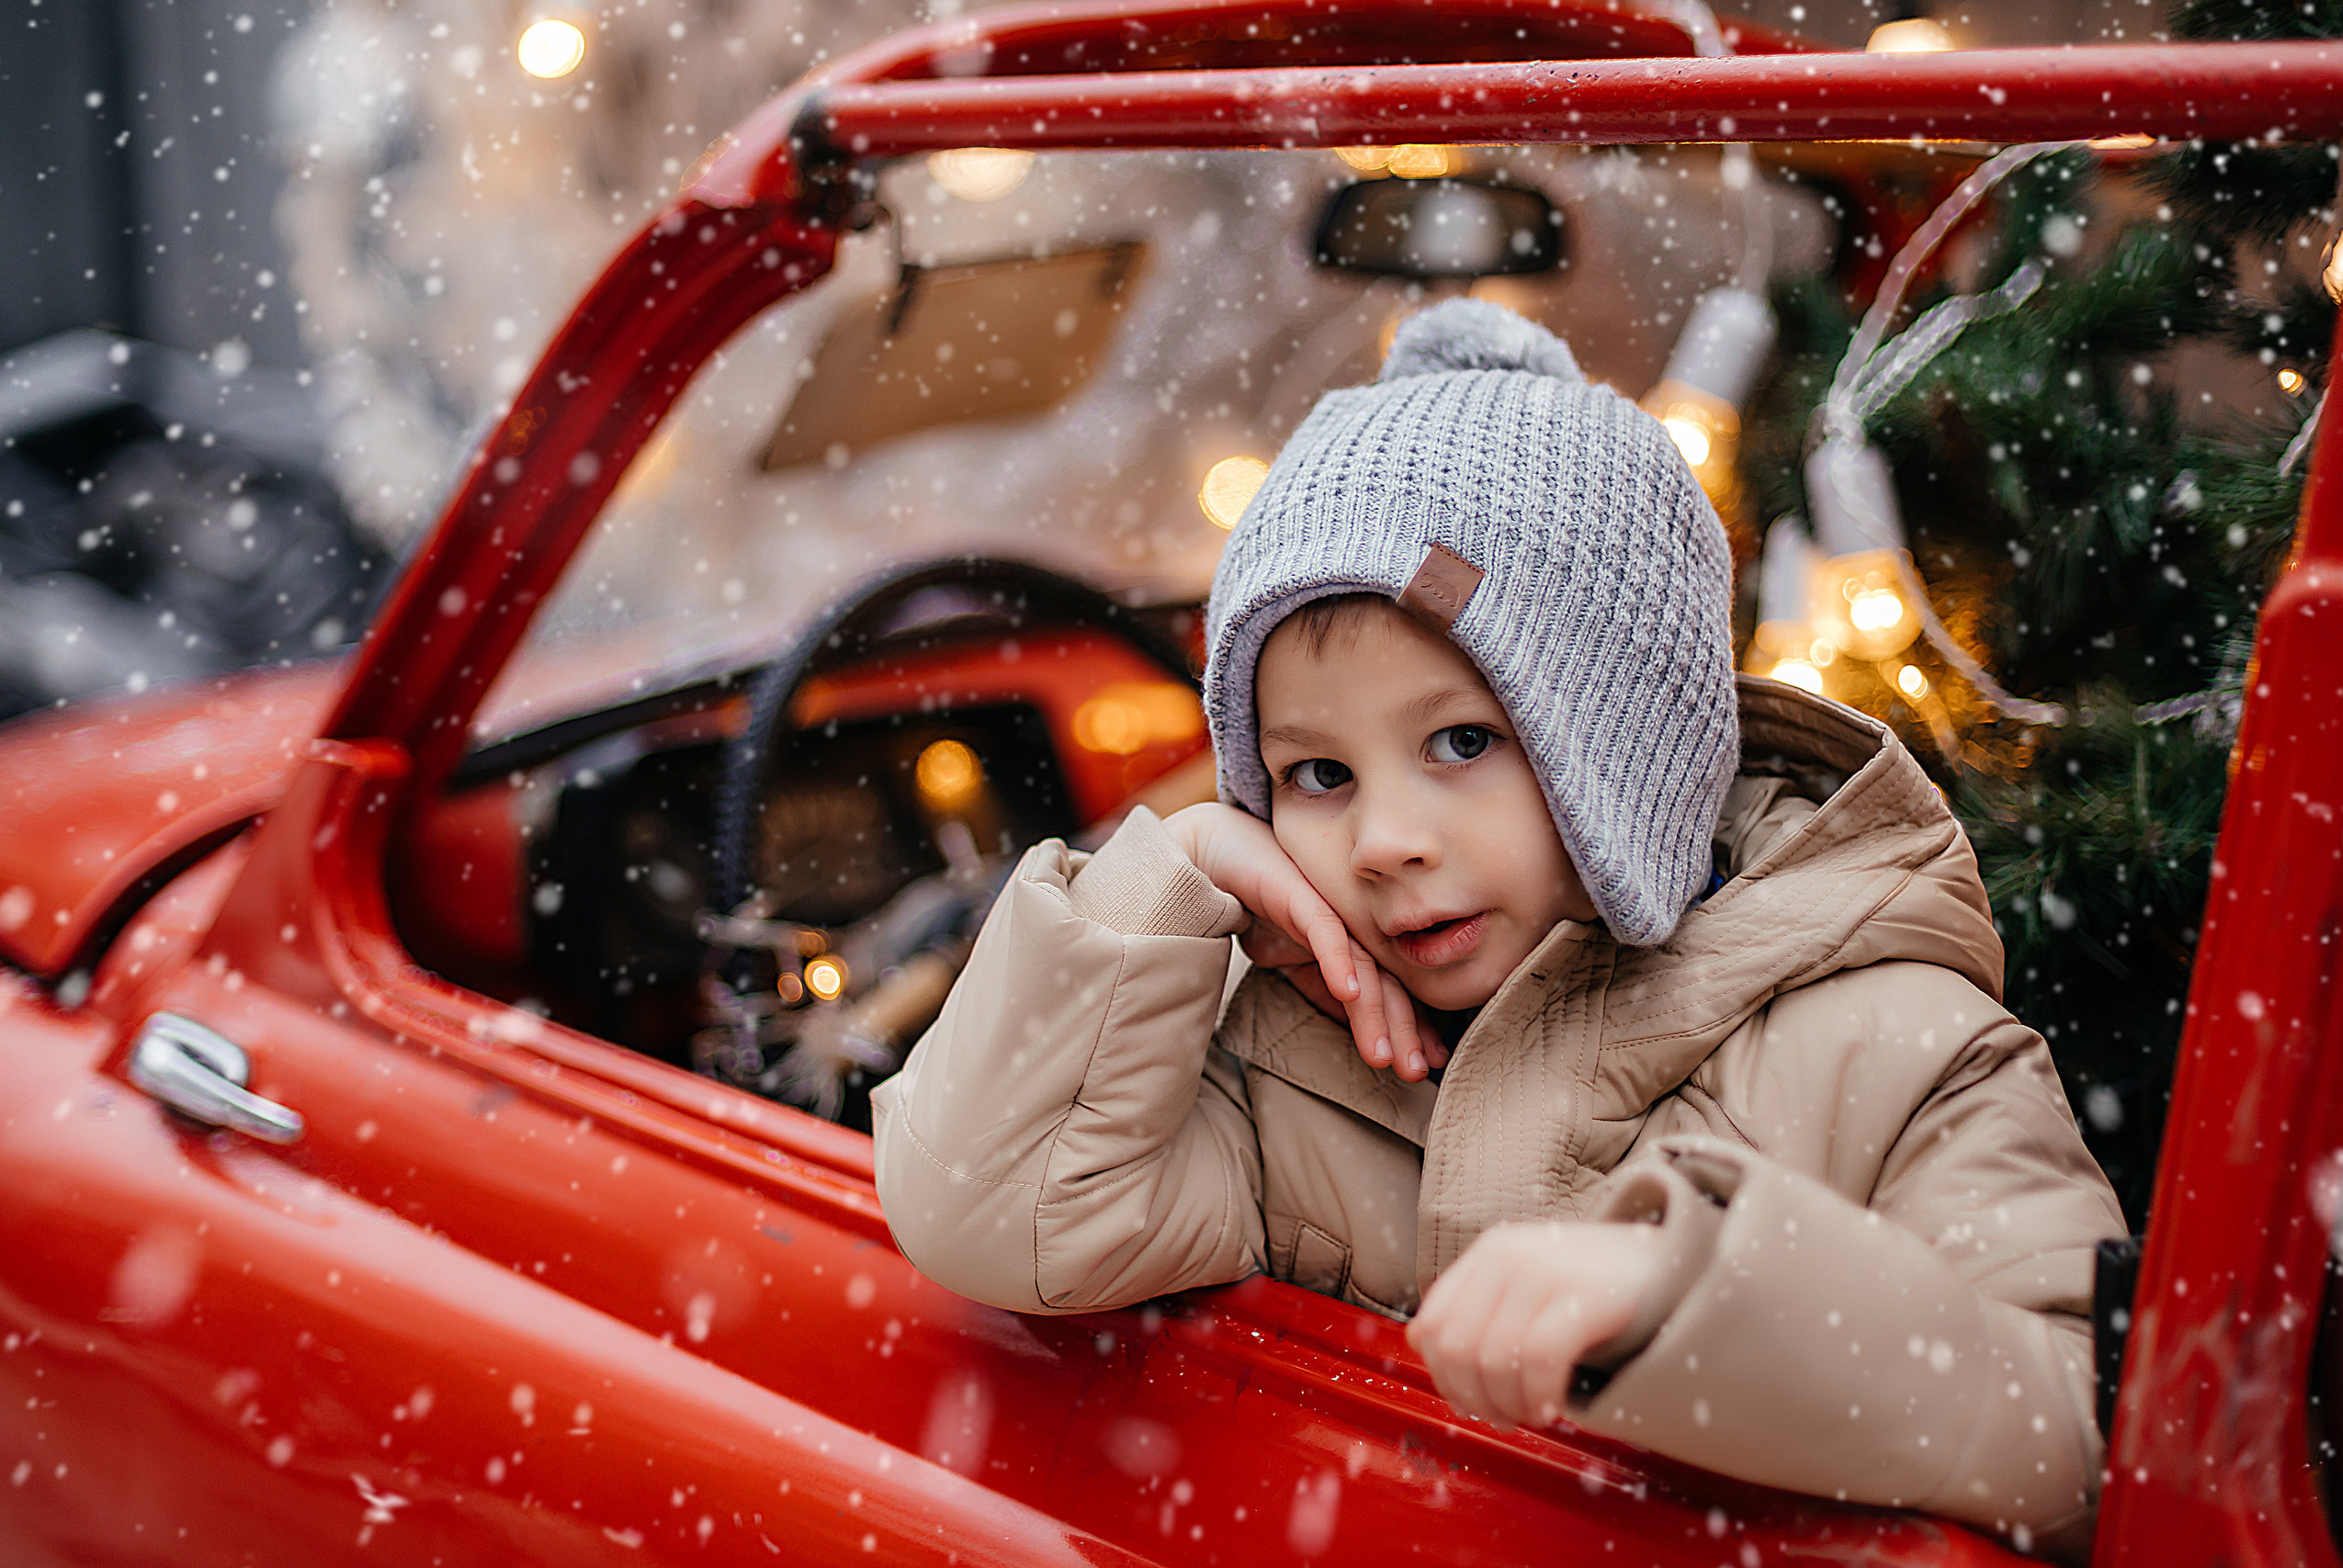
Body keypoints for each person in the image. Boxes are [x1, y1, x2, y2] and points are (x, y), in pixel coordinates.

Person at [869, 299, 2123, 1561]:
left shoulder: (1889, 1044)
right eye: (1316, 774)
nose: (1381, 840)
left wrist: (1684, 1296)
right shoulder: (1285, 1052)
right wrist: (1174, 873)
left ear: (1627, 750)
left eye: (1463, 742)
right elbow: (996, 1214)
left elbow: (2080, 1438)